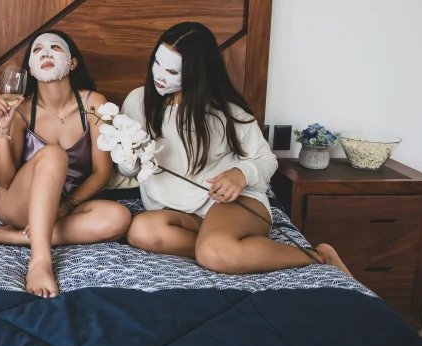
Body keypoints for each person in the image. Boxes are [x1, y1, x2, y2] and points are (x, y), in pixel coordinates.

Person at [122, 22, 350, 275]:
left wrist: (241, 174)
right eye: (157, 62)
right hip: (178, 215)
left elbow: (266, 159)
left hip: (229, 204)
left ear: (198, 73)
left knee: (214, 254)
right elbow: (128, 169)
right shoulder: (137, 103)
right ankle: (221, 246)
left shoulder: (225, 112)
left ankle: (319, 255)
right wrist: (128, 160)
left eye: (173, 72)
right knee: (141, 231)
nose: (160, 76)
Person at [0, 30, 131, 297]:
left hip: (66, 201)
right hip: (18, 202)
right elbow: (5, 180)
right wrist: (2, 131)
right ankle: (40, 261)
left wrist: (68, 206)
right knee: (54, 154)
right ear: (31, 70)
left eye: (55, 47)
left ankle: (12, 236)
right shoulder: (21, 110)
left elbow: (102, 173)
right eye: (37, 50)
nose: (45, 53)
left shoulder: (95, 104)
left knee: (119, 218)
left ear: (73, 62)